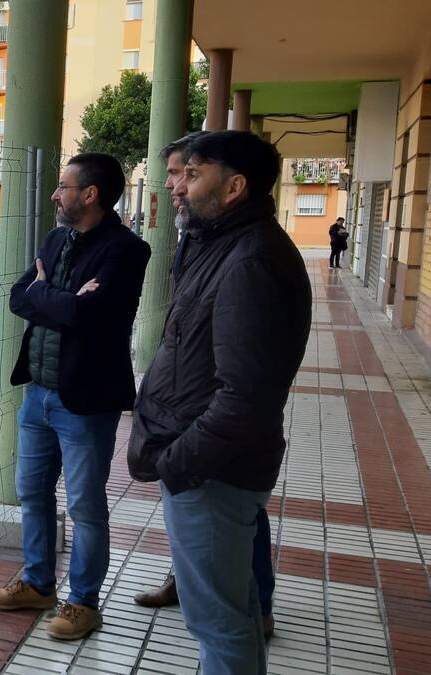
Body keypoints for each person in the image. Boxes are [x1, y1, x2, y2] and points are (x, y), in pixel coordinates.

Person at [128, 130, 311, 674]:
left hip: (212, 473)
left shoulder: (248, 261)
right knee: (236, 612)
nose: (175, 185)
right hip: (213, 465)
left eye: (191, 174)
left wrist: (176, 463)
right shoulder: (222, 244)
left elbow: (244, 398)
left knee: (217, 623)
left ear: (234, 187)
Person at [0, 153, 151, 641]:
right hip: (37, 393)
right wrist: (67, 299)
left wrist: (51, 298)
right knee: (31, 492)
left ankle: (83, 601)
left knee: (84, 505)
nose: (56, 195)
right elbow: (18, 297)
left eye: (64, 187)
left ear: (90, 193)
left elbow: (91, 318)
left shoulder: (126, 250)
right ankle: (38, 583)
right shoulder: (56, 238)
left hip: (86, 401)